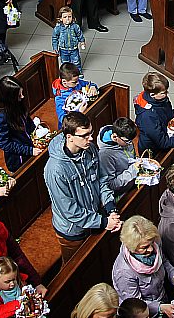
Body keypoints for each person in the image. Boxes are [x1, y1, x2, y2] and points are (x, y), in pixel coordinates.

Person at [46, 112, 120, 262]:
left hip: (94, 217)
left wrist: (110, 207)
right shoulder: (55, 170)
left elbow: (101, 178)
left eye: (91, 133)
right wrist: (103, 222)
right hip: (73, 230)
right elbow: (69, 210)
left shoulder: (89, 149)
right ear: (69, 137)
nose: (91, 138)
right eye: (85, 135)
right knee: (74, 267)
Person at [111, 215, 174, 318]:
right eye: (144, 247)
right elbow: (135, 306)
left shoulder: (154, 242)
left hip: (164, 299)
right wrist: (160, 308)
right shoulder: (123, 272)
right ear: (132, 247)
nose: (151, 249)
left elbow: (164, 261)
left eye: (151, 243)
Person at [134, 72, 174, 153]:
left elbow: (166, 113)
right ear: (152, 94)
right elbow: (162, 143)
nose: (167, 94)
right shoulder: (147, 117)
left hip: (166, 133)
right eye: (163, 93)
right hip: (153, 150)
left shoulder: (161, 100)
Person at [98, 117, 139, 195]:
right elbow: (111, 185)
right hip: (124, 192)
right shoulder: (105, 155)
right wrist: (133, 170)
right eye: (127, 141)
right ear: (115, 137)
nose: (130, 143)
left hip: (133, 180)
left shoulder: (123, 135)